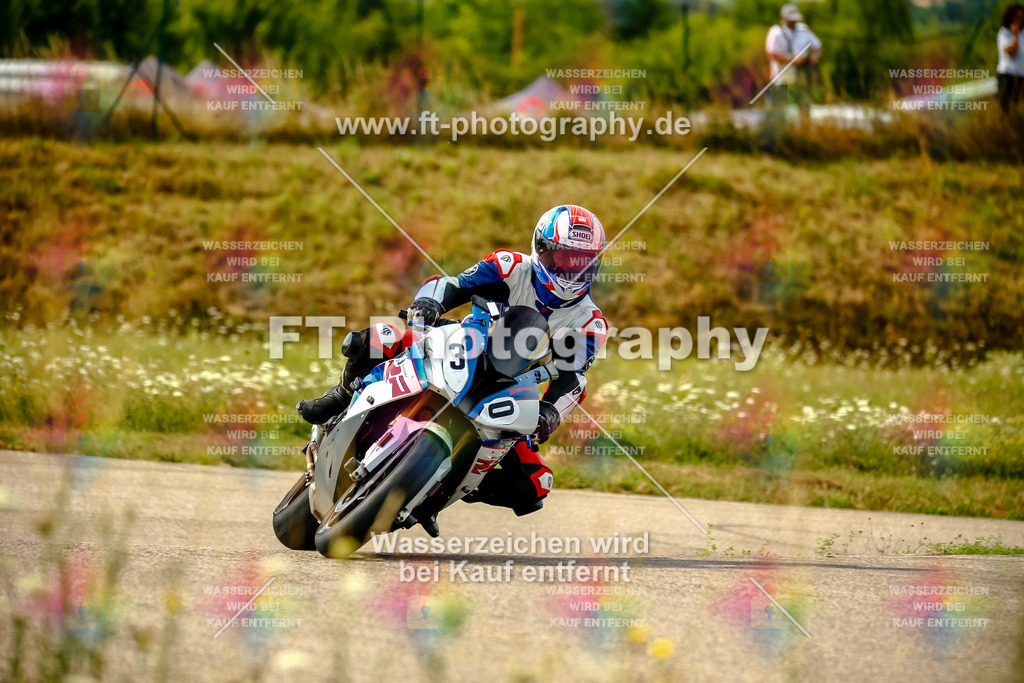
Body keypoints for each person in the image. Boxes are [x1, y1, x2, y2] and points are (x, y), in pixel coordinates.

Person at [296, 205, 610, 524]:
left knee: (535, 484)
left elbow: (572, 378)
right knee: (379, 339)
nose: (571, 270)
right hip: (466, 343)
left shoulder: (590, 323)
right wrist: (429, 303)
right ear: (541, 248)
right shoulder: (510, 265)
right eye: (564, 257)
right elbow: (455, 284)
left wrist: (551, 412)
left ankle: (440, 487)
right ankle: (341, 396)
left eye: (582, 262)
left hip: (511, 390)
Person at [765, 3, 822, 113]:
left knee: (805, 106)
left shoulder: (803, 29)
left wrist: (813, 59)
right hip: (781, 77)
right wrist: (793, 59)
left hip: (802, 76)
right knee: (779, 109)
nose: (794, 22)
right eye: (791, 19)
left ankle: (804, 123)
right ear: (783, 17)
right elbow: (771, 56)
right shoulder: (775, 32)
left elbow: (818, 47)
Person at [997, 4, 1024, 113]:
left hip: (1021, 75)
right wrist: (1016, 36)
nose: (1019, 20)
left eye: (1021, 17)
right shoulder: (1004, 33)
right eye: (1017, 17)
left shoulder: (1023, 33)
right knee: (1005, 108)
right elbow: (1011, 52)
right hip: (1007, 75)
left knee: (1019, 107)